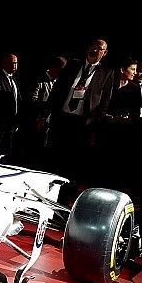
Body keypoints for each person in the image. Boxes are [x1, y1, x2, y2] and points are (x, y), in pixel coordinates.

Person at [48, 38, 114, 188]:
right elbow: (57, 90)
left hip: (83, 124)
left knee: (74, 163)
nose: (95, 50)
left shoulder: (106, 73)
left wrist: (95, 129)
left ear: (105, 53)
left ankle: (67, 193)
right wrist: (45, 115)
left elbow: (104, 103)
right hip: (62, 119)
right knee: (55, 157)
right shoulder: (72, 65)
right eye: (92, 46)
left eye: (99, 49)